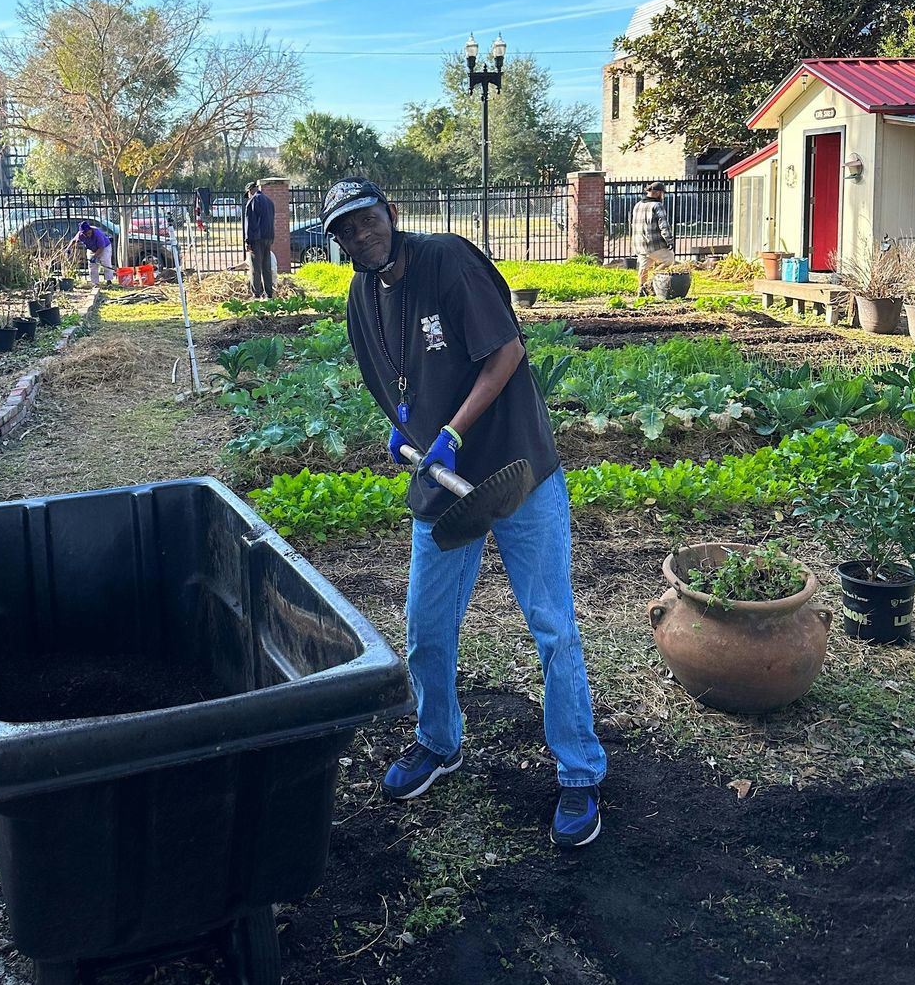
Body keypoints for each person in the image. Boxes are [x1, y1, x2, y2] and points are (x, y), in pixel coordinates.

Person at [319, 179, 606, 848]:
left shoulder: (449, 259)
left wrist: (451, 430)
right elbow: (391, 382)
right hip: (443, 486)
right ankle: (439, 742)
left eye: (365, 221)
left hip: (515, 469)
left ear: (389, 212)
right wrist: (404, 427)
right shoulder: (362, 298)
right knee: (425, 627)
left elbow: (507, 351)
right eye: (345, 231)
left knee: (550, 624)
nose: (360, 237)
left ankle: (580, 773)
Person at [631, 182, 675, 295]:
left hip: (639, 243)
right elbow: (664, 225)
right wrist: (670, 241)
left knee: (643, 267)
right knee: (669, 259)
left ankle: (641, 289)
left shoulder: (638, 205)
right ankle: (652, 282)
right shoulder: (657, 206)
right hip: (654, 243)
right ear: (659, 193)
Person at [243, 180, 275, 299]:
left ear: (250, 190)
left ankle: (256, 293)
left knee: (255, 267)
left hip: (257, 238)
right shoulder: (269, 201)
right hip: (268, 237)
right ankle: (269, 293)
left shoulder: (252, 201)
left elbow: (250, 223)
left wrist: (248, 241)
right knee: (266, 266)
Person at [73, 220, 117, 287]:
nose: (87, 235)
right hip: (92, 248)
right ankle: (95, 283)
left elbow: (101, 247)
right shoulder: (80, 234)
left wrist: (95, 256)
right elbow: (74, 241)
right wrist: (68, 249)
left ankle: (109, 281)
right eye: (85, 234)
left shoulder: (97, 233)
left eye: (88, 233)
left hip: (104, 247)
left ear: (90, 229)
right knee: (92, 265)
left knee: (106, 262)